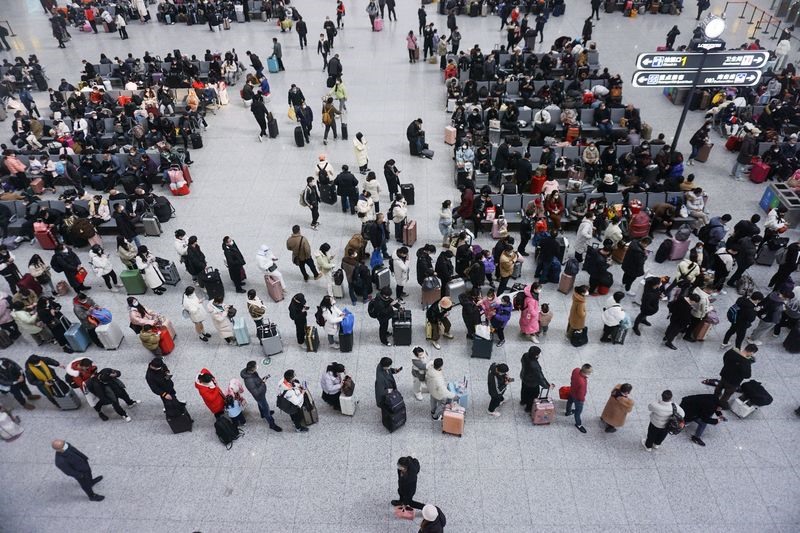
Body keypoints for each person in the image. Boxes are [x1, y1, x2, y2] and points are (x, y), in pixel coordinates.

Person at [241, 360, 282, 431]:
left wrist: (261, 381)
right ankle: (272, 424)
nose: (257, 367)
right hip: (259, 395)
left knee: (260, 404)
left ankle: (262, 414)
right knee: (266, 408)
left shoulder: (251, 373)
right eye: (255, 366)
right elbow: (256, 392)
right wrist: (263, 383)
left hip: (260, 394)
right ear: (252, 369)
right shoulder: (249, 381)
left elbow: (256, 382)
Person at [714, 344, 757, 409]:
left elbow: (725, 358)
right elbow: (747, 375)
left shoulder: (731, 352)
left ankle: (715, 395)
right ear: (751, 352)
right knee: (727, 394)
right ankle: (721, 403)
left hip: (725, 374)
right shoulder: (746, 362)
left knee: (719, 386)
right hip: (733, 382)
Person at [519, 346, 550, 413]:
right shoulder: (535, 366)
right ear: (536, 355)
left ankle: (523, 401)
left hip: (524, 377)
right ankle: (528, 408)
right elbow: (540, 377)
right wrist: (547, 386)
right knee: (532, 396)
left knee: (524, 390)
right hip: (532, 383)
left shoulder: (525, 355)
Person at [565, 364, 592, 433]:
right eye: (590, 372)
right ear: (586, 372)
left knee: (570, 401)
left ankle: (568, 412)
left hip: (572, 391)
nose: (591, 373)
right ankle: (578, 424)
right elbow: (580, 395)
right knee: (578, 412)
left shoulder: (576, 370)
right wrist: (582, 400)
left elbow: (571, 379)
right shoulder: (582, 382)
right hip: (578, 398)